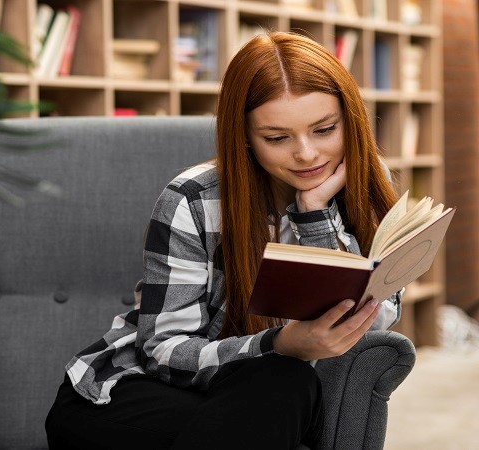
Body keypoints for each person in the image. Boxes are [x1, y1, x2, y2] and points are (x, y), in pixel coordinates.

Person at [44, 31, 404, 449]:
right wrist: (279, 344)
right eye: (277, 138)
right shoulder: (193, 199)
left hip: (262, 399)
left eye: (324, 129)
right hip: (125, 397)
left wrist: (315, 215)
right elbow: (162, 351)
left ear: (350, 119)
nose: (307, 154)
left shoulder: (367, 189)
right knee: (281, 378)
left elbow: (377, 317)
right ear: (245, 138)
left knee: (284, 381)